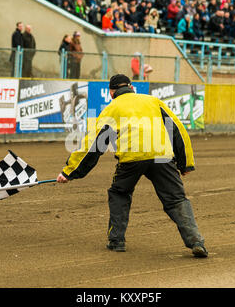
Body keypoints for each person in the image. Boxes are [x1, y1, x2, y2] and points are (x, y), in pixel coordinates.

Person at [56, 74, 208, 258]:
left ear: (112, 92)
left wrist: (70, 171)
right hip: (162, 156)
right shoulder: (153, 101)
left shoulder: (112, 108)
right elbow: (178, 130)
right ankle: (196, 241)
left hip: (132, 157)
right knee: (176, 199)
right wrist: (185, 164)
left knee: (119, 193)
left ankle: (117, 241)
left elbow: (94, 144)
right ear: (132, 87)